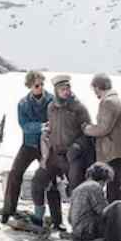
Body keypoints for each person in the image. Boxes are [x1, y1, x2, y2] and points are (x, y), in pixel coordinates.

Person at [31, 74, 91, 230]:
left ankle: (79, 225)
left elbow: (88, 133)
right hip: (54, 154)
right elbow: (51, 129)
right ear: (56, 91)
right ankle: (41, 219)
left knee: (75, 190)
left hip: (72, 156)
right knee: (38, 182)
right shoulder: (51, 107)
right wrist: (46, 138)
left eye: (68, 88)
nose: (66, 91)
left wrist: (77, 147)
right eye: (62, 89)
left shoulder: (79, 108)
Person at [1, 71, 53, 224]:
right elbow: (24, 125)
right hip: (29, 144)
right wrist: (41, 126)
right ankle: (8, 210)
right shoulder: (23, 103)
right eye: (37, 85)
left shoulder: (52, 100)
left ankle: (55, 218)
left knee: (51, 178)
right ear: (30, 86)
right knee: (14, 174)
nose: (40, 88)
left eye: (42, 84)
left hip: (47, 145)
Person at [83, 73, 121, 224]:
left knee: (114, 190)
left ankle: (117, 224)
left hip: (111, 152)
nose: (95, 93)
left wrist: (87, 129)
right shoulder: (115, 100)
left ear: (98, 87)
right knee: (120, 188)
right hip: (119, 151)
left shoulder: (108, 102)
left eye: (95, 89)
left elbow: (103, 128)